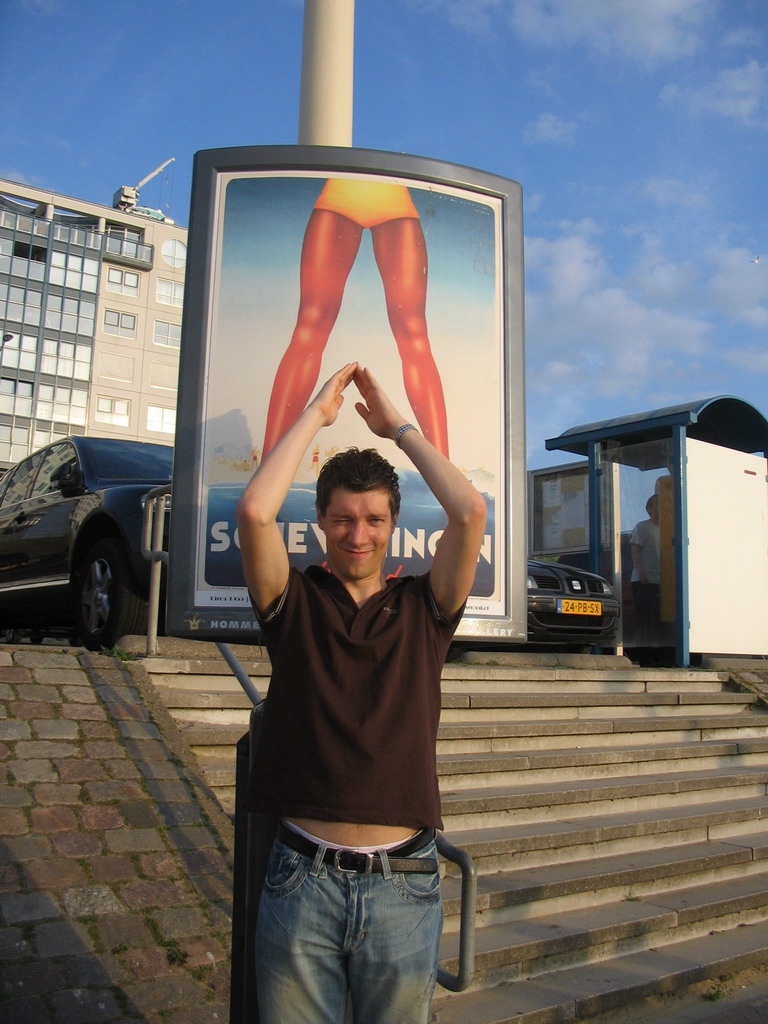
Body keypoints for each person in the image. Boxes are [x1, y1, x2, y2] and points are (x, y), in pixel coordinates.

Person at [236, 362, 486, 1024]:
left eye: (373, 518)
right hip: (300, 881)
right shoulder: (292, 604)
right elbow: (256, 510)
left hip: (403, 888)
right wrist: (317, 412)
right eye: (342, 518)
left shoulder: (425, 609)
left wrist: (398, 427)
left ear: (393, 523)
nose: (357, 533)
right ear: (320, 521)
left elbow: (470, 510)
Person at [262, 179, 450, 458]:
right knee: (310, 328)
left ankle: (443, 466)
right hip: (342, 201)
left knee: (413, 335)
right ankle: (268, 461)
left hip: (387, 206)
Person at [630, 493, 661, 665]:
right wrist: (642, 574)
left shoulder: (671, 528)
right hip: (645, 582)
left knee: (661, 620)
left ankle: (662, 657)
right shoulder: (642, 527)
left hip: (664, 582)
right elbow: (635, 550)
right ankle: (644, 656)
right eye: (657, 505)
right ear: (649, 508)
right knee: (646, 619)